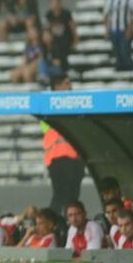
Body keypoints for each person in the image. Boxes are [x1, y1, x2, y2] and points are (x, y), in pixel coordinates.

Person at [43, 74, 85, 213]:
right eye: (66, 84)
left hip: (75, 158)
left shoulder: (75, 105)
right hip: (58, 158)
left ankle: (68, 222)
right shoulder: (48, 105)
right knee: (61, 195)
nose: (70, 87)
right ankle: (53, 222)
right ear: (57, 87)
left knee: (72, 195)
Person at [44, 0, 77, 74]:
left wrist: (76, 40)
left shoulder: (66, 13)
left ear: (60, 3)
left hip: (66, 39)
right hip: (54, 40)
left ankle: (59, 70)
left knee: (58, 49)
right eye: (52, 4)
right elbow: (47, 28)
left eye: (56, 3)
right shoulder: (49, 14)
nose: (54, 6)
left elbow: (72, 27)